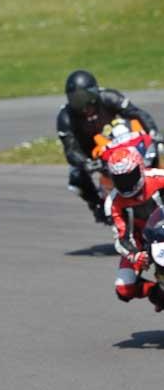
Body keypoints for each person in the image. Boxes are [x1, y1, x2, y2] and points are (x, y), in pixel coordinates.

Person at [57, 70, 163, 222]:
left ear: (94, 92)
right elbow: (70, 149)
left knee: (158, 147)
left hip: (122, 142)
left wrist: (153, 133)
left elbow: (138, 113)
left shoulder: (109, 97)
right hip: (91, 154)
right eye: (75, 100)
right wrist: (85, 162)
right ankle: (100, 206)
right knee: (76, 177)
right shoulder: (65, 116)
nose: (82, 106)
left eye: (84, 98)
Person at [104, 146, 164, 310]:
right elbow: (121, 237)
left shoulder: (159, 178)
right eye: (121, 179)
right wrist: (135, 255)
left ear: (140, 167)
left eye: (130, 177)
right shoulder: (113, 203)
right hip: (141, 244)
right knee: (124, 288)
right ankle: (156, 292)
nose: (126, 184)